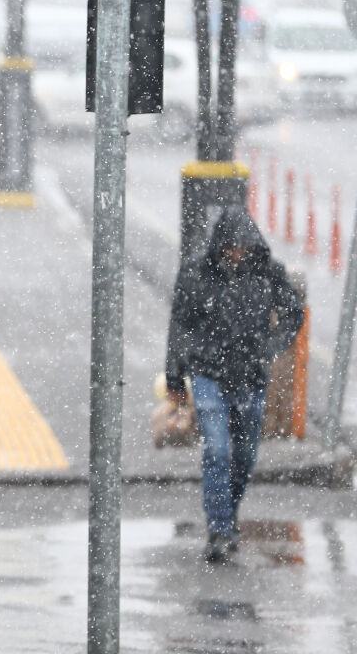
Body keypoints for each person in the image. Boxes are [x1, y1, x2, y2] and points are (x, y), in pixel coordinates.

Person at [165, 207, 303, 564]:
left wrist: (270, 348)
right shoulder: (196, 272)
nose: (236, 254)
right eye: (230, 248)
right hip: (208, 372)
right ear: (219, 246)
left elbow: (293, 313)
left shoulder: (268, 272)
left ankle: (227, 514)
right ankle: (220, 530)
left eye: (242, 247)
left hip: (251, 376)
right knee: (217, 451)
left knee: (244, 457)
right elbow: (179, 326)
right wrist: (175, 378)